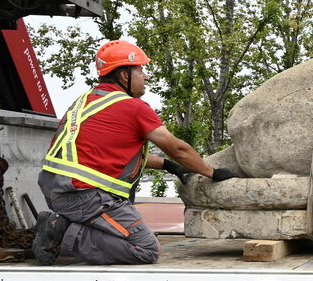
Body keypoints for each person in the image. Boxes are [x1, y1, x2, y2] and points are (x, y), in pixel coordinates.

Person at [32, 40, 236, 266]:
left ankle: (64, 227)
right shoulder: (133, 107)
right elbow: (177, 147)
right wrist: (211, 172)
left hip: (57, 189)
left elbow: (107, 156)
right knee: (145, 249)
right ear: (123, 76)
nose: (145, 76)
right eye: (140, 70)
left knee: (124, 233)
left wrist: (168, 166)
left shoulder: (86, 101)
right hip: (84, 196)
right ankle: (59, 230)